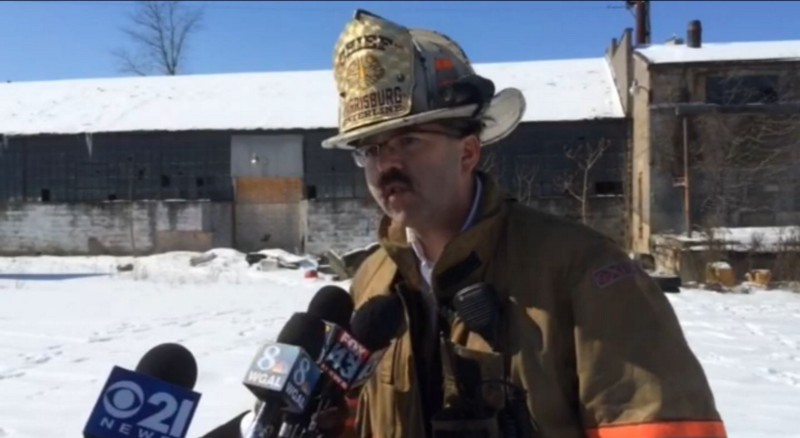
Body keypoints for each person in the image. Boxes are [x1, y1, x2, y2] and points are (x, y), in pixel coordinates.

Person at [319, 9, 728, 438]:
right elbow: (354, 419)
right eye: (370, 149)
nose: (386, 165)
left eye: (408, 140)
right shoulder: (371, 283)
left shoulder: (584, 272)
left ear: (468, 152)